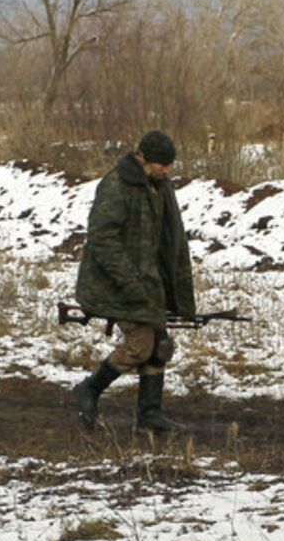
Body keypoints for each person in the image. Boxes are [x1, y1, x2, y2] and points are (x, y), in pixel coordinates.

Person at [71, 129, 197, 433]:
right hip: (113, 283)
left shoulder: (159, 186)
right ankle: (89, 389)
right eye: (162, 165)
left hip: (148, 282)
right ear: (144, 159)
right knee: (141, 345)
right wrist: (130, 282)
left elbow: (168, 240)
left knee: (159, 346)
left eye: (169, 165)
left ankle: (150, 415)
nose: (167, 171)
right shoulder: (116, 186)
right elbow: (102, 241)